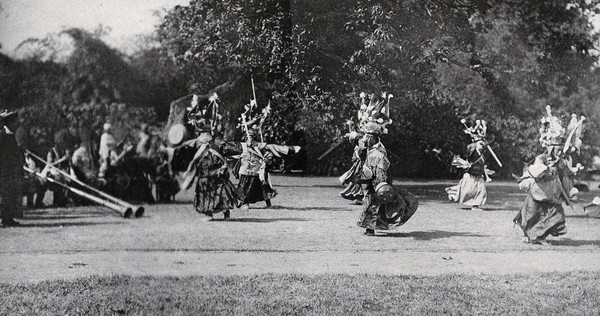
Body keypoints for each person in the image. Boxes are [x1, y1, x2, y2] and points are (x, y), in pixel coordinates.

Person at [514, 106, 584, 244]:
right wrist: (544, 169)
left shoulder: (562, 161)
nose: (559, 152)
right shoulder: (542, 158)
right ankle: (528, 235)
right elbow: (535, 171)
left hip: (553, 194)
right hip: (539, 191)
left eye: (560, 150)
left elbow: (566, 173)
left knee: (555, 216)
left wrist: (575, 170)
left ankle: (540, 237)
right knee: (531, 214)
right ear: (551, 148)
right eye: (557, 150)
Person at [166, 93, 242, 221]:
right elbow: (183, 147)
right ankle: (218, 213)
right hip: (207, 171)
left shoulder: (206, 141)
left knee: (215, 189)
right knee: (212, 189)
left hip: (212, 171)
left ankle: (215, 214)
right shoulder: (206, 141)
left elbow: (182, 147)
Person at [352, 92, 418, 236]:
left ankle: (372, 227)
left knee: (378, 204)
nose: (366, 139)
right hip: (372, 181)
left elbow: (380, 171)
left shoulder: (377, 152)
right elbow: (359, 145)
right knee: (372, 203)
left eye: (368, 137)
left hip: (377, 181)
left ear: (374, 138)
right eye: (366, 136)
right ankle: (370, 227)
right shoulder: (371, 150)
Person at [446, 119, 495, 209]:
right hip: (470, 174)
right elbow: (466, 156)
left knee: (481, 190)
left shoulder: (484, 151)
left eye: (482, 144)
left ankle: (475, 206)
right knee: (467, 191)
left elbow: (484, 161)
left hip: (478, 175)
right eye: (480, 144)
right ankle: (453, 194)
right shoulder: (471, 148)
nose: (482, 146)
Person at [0, 110, 25, 227]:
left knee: (9, 195)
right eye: (15, 122)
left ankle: (8, 218)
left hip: (10, 171)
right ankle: (4, 219)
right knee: (4, 195)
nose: (18, 124)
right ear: (9, 123)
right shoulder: (2, 135)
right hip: (3, 171)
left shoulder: (10, 135)